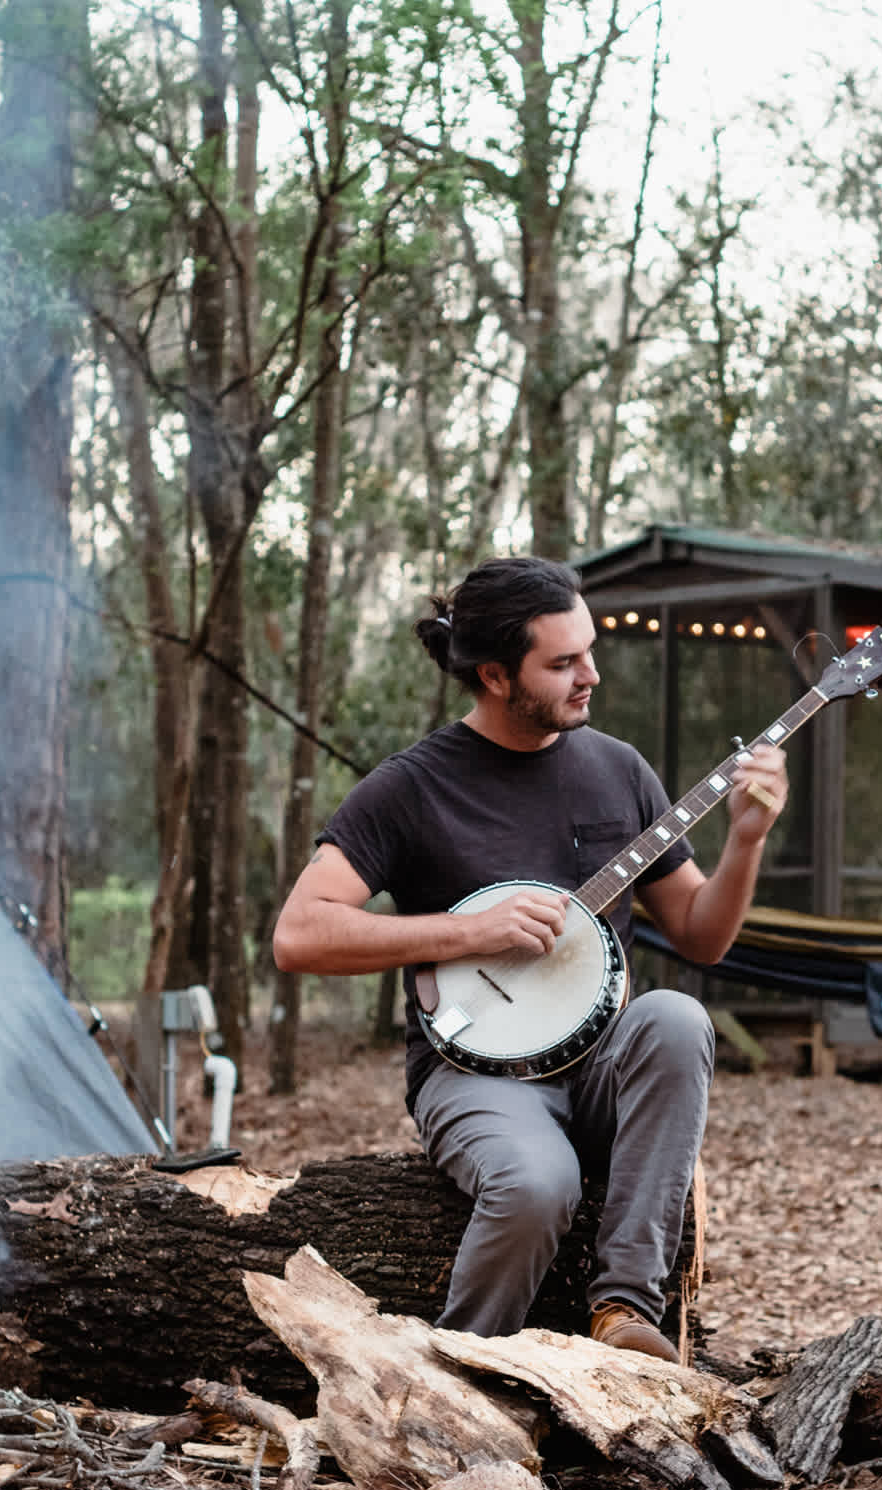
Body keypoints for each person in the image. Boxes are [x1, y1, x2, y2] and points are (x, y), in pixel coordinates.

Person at [271, 556, 788, 1363]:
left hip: (601, 1062)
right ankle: (452, 1383)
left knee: (677, 1017)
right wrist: (468, 931)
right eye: (562, 662)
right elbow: (300, 933)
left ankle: (623, 1307)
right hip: (474, 1072)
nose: (592, 674)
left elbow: (700, 933)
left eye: (588, 650)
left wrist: (747, 841)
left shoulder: (619, 770)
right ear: (495, 674)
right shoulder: (413, 787)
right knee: (539, 1186)